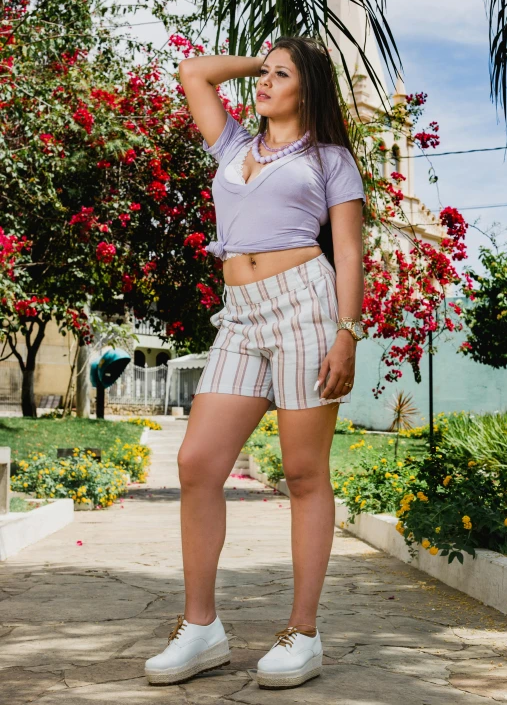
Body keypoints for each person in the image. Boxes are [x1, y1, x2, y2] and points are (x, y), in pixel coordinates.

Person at [145, 36, 366, 690]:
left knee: (302, 472)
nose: (264, 81)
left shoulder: (329, 158)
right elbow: (193, 72)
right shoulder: (236, 143)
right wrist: (261, 57)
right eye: (262, 72)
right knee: (197, 462)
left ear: (310, 88)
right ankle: (202, 627)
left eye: (280, 74)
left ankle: (303, 632)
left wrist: (347, 332)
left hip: (306, 306)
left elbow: (349, 251)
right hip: (241, 312)